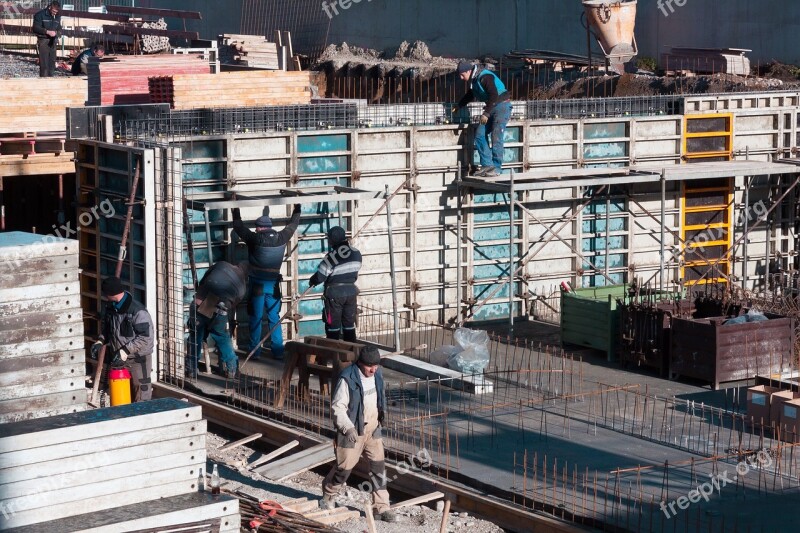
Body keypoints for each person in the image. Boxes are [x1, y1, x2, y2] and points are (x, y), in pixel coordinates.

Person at [320, 346, 397, 522]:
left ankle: (381, 507)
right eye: (370, 366)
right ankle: (329, 493)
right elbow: (337, 407)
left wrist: (380, 419)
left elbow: (379, 398)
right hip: (352, 430)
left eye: (376, 366)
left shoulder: (377, 374)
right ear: (361, 363)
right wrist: (348, 428)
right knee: (344, 468)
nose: (373, 369)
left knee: (378, 468)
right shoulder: (347, 378)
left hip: (373, 429)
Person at [232, 204, 301, 360]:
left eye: (257, 228)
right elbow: (293, 224)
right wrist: (298, 207)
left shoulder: (255, 239)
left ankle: (255, 351)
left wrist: (235, 207)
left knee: (256, 317)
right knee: (274, 317)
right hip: (274, 285)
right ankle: (278, 351)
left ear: (260, 228)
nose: (255, 230)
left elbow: (238, 227)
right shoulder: (282, 237)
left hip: (258, 285)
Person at [91, 276, 155, 402]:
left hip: (138, 360)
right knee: (121, 397)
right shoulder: (111, 308)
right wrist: (100, 341)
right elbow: (108, 330)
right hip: (119, 359)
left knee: (141, 397)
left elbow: (145, 338)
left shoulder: (138, 311)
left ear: (109, 294)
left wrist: (125, 350)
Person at [186, 261, 248, 379]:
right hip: (219, 309)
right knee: (222, 338)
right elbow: (232, 305)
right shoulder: (242, 288)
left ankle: (191, 369)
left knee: (195, 337)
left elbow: (204, 280)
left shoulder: (221, 264)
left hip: (199, 303)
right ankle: (232, 370)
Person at [451, 61, 512, 178]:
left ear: (469, 71)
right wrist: (459, 105)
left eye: (462, 74)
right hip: (491, 108)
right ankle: (487, 165)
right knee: (479, 134)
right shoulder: (474, 80)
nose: (461, 77)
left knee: (496, 136)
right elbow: (471, 94)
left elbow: (494, 94)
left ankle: (497, 168)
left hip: (501, 107)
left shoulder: (485, 77)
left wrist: (486, 113)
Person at [308, 226, 362, 342]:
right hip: (351, 293)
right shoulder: (356, 253)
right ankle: (351, 351)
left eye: (328, 238)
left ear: (332, 240)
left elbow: (320, 276)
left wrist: (312, 281)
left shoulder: (332, 256)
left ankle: (332, 354)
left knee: (333, 326)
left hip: (334, 295)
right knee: (349, 325)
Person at [32, 1, 62, 78]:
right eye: (54, 11)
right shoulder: (40, 15)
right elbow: (35, 28)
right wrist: (47, 32)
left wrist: (57, 33)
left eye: (56, 11)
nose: (55, 13)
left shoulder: (57, 16)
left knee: (52, 62)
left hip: (53, 41)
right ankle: (43, 80)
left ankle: (50, 79)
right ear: (50, 7)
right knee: (44, 63)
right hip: (43, 40)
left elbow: (59, 28)